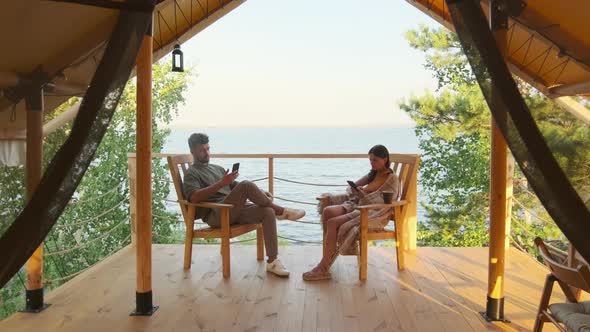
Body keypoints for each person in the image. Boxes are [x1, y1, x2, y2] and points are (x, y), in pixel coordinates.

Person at [183, 133, 306, 277]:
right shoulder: (192, 173)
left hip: (232, 210)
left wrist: (260, 192)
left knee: (267, 212)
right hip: (217, 215)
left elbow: (234, 186)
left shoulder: (217, 168)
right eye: (202, 150)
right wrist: (221, 183)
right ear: (192, 152)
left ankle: (272, 261)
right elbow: (194, 197)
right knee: (246, 185)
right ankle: (282, 211)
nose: (207, 153)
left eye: (208, 149)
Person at [303, 144, 399, 281]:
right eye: (370, 160)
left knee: (332, 223)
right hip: (356, 204)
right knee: (327, 212)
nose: (372, 163)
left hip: (371, 212)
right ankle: (328, 257)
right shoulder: (372, 173)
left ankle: (323, 267)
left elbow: (386, 201)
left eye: (375, 160)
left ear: (385, 159)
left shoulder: (392, 178)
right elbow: (350, 187)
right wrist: (356, 191)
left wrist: (363, 196)